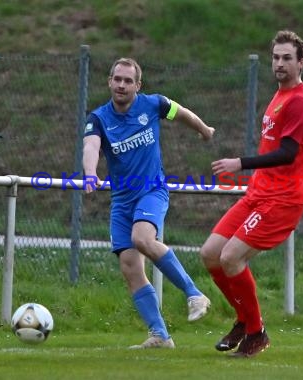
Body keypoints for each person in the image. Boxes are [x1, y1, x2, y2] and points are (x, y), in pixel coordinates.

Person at [200, 30, 303, 358]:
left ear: (301, 63)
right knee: (211, 253)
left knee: (231, 257)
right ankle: (245, 320)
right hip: (259, 194)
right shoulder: (280, 95)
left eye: (287, 58)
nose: (279, 64)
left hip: (282, 200)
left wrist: (240, 163)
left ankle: (256, 333)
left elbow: (288, 153)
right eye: (276, 58)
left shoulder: (300, 100)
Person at [83, 58, 215, 349]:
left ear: (137, 85)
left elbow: (181, 113)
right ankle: (160, 336)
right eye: (117, 79)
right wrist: (90, 173)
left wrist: (204, 129)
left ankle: (194, 294)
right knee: (130, 267)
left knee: (142, 238)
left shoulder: (153, 104)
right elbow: (91, 145)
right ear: (109, 82)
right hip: (122, 200)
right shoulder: (99, 118)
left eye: (128, 81)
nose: (121, 84)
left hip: (152, 191)